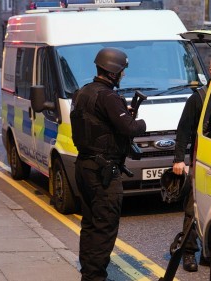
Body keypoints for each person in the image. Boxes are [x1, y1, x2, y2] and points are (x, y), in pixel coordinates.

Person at [70, 47, 146, 281]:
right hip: (103, 172)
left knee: (91, 224)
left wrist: (122, 111)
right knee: (105, 227)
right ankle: (95, 277)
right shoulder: (108, 97)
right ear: (113, 72)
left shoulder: (83, 92)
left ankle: (88, 273)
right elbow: (130, 129)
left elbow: (97, 121)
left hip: (84, 166)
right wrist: (139, 121)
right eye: (121, 71)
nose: (122, 75)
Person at [172, 54, 211, 272]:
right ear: (210, 71)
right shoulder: (198, 98)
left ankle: (209, 254)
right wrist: (179, 160)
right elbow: (183, 131)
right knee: (193, 209)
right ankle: (189, 252)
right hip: (199, 164)